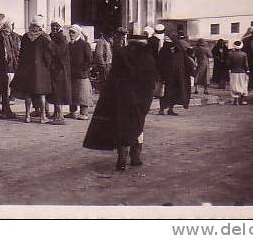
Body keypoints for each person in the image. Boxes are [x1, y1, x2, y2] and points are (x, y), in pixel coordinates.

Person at [83, 34, 159, 171]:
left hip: (121, 97)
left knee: (122, 126)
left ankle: (121, 159)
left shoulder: (121, 55)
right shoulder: (148, 58)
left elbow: (112, 78)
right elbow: (150, 83)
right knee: (138, 126)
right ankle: (135, 158)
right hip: (140, 99)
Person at [11, 15, 53, 124]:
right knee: (42, 93)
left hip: (27, 69)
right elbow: (49, 54)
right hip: (41, 69)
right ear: (40, 25)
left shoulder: (25, 36)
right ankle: (43, 116)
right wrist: (48, 65)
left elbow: (21, 53)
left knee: (28, 93)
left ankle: (27, 116)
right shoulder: (45, 37)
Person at [157, 33, 193, 115]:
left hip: (177, 76)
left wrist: (190, 71)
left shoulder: (180, 50)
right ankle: (162, 109)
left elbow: (186, 61)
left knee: (174, 92)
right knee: (165, 93)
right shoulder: (164, 50)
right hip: (167, 76)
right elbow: (160, 63)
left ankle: (170, 109)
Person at [67, 25, 94, 120]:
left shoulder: (84, 44)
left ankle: (84, 113)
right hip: (71, 73)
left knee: (83, 93)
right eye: (70, 32)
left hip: (82, 74)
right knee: (72, 93)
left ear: (78, 33)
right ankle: (73, 112)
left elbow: (90, 60)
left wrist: (83, 69)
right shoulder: (69, 44)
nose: (71, 34)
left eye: (73, 32)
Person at [47, 21, 71, 124]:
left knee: (58, 91)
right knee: (54, 91)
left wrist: (50, 43)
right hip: (53, 68)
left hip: (60, 69)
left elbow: (59, 52)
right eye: (53, 26)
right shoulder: (51, 36)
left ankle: (59, 115)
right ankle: (56, 113)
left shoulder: (62, 37)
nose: (54, 28)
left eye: (57, 26)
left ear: (60, 27)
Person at [227, 39, 250, 105]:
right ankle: (243, 100)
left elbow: (228, 64)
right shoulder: (244, 54)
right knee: (243, 85)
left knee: (234, 86)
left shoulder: (230, 54)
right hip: (242, 72)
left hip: (233, 72)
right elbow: (246, 65)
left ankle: (236, 100)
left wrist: (230, 69)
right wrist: (247, 71)